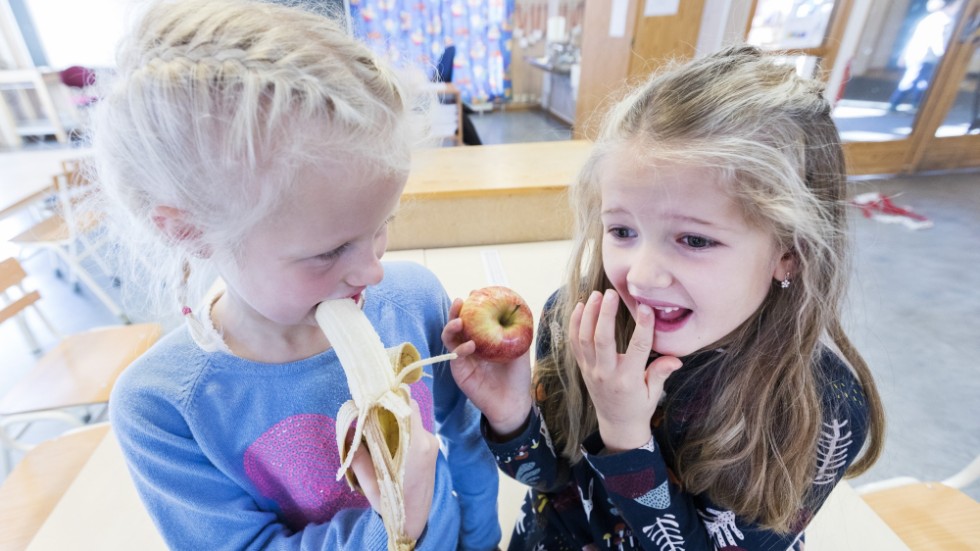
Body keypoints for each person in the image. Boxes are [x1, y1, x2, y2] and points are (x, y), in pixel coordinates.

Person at [90, 0, 500, 548]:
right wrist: (401, 518)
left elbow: (465, 442)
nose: (372, 270)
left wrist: (482, 539)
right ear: (189, 232)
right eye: (329, 251)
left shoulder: (414, 299)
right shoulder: (162, 407)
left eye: (383, 224)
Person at [443, 45, 885, 550]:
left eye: (695, 240)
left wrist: (626, 436)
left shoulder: (817, 408)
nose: (643, 277)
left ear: (790, 252)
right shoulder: (575, 320)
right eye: (623, 230)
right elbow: (552, 485)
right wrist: (513, 414)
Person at [887, 0, 960, 113]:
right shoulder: (940, 20)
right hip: (924, 56)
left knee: (919, 81)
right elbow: (937, 41)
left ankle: (913, 104)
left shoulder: (934, 18)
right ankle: (897, 102)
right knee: (914, 80)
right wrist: (944, 55)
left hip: (922, 56)